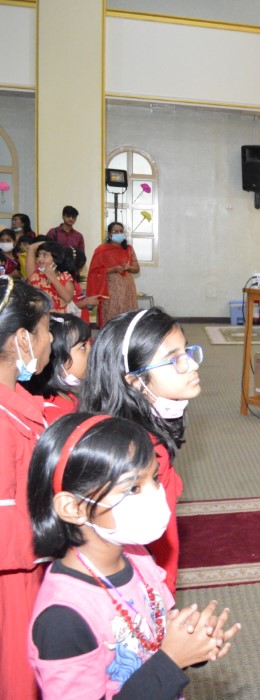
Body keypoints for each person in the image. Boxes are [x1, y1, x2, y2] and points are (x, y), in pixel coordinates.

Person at [26, 412, 240, 698]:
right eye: (133, 488)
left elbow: (156, 635)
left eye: (155, 478)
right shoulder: (63, 618)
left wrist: (193, 640)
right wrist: (170, 662)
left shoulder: (136, 555)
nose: (155, 494)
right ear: (73, 508)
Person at [79, 308, 203, 595]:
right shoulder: (141, 455)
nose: (192, 364)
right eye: (174, 359)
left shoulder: (131, 434)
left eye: (187, 351)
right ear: (135, 381)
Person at [0, 276, 52, 699]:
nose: (50, 339)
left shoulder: (15, 398)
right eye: (46, 329)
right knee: (20, 679)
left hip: (30, 567)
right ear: (22, 339)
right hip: (13, 584)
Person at [24, 313, 91, 422]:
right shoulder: (51, 413)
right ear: (57, 359)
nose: (92, 352)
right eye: (83, 346)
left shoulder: (68, 396)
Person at [88, 222, 140, 326]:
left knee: (127, 317)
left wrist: (129, 267)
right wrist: (112, 270)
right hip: (110, 289)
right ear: (109, 234)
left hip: (127, 289)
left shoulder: (128, 249)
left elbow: (137, 269)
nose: (119, 233)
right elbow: (94, 271)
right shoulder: (101, 250)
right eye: (115, 231)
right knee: (111, 316)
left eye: (121, 231)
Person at [27, 239, 76, 311]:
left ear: (56, 258)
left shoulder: (65, 276)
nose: (40, 259)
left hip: (59, 316)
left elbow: (68, 298)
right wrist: (47, 243)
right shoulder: (35, 275)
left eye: (45, 255)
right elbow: (31, 248)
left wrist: (53, 278)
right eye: (39, 255)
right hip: (40, 316)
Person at [45, 205, 86, 273]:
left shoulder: (79, 236)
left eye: (73, 217)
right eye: (68, 216)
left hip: (73, 270)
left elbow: (81, 255)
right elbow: (46, 251)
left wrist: (77, 270)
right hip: (55, 269)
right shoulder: (53, 232)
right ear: (63, 216)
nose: (71, 219)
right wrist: (52, 271)